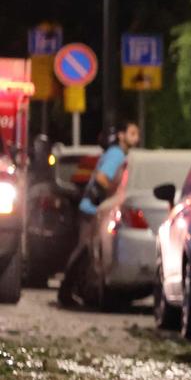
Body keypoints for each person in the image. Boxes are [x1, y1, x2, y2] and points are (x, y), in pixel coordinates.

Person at [58, 121, 139, 307]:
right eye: (133, 133)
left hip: (92, 207)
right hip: (93, 209)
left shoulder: (116, 153)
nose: (137, 138)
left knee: (86, 251)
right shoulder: (117, 154)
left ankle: (75, 291)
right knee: (84, 250)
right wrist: (110, 197)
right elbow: (102, 179)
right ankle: (66, 291)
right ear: (121, 135)